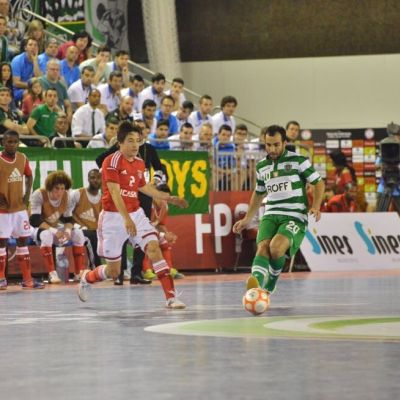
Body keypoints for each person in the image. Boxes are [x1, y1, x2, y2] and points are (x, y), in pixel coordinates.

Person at [78, 122, 188, 309]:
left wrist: (169, 198)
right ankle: (87, 278)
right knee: (114, 271)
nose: (135, 145)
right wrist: (126, 219)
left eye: (138, 141)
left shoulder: (139, 163)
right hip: (113, 217)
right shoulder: (111, 161)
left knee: (154, 248)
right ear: (120, 143)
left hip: (136, 213)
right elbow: (114, 192)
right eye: (130, 141)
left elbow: (143, 187)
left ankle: (171, 298)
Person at [233, 125, 324, 305]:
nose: (272, 149)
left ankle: (270, 284)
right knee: (263, 247)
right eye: (268, 145)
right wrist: (247, 219)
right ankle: (256, 286)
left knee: (276, 247)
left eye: (276, 145)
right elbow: (258, 194)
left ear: (284, 142)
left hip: (294, 215)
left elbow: (318, 183)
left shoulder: (299, 160)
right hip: (271, 213)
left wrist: (316, 206)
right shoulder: (261, 166)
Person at [95, 120, 166, 285]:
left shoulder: (148, 150)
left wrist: (157, 186)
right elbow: (100, 160)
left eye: (139, 136)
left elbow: (161, 168)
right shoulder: (115, 157)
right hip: (118, 204)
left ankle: (137, 272)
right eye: (131, 138)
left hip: (141, 196)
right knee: (122, 237)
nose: (136, 142)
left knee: (148, 242)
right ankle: (117, 273)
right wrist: (119, 148)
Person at [0, 130, 44, 290]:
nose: (12, 144)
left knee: (23, 240)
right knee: (1, 242)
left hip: (19, 208)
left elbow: (29, 175)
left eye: (15, 142)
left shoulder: (22, 158)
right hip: (3, 211)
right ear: (3, 143)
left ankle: (27, 279)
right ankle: (1, 279)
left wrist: (26, 196)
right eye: (8, 141)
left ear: (18, 143)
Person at [29, 171, 87, 284]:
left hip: (53, 228)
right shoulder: (39, 194)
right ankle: (52, 273)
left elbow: (68, 219)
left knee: (79, 234)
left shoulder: (67, 196)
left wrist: (68, 231)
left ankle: (78, 273)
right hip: (34, 229)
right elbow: (34, 220)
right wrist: (55, 231)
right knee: (46, 235)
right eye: (57, 188)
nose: (60, 192)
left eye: (62, 188)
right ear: (50, 187)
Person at [142, 183, 185, 280]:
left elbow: (160, 224)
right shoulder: (148, 204)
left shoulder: (164, 207)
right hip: (137, 232)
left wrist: (166, 234)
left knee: (165, 243)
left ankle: (168, 269)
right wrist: (162, 235)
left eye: (166, 199)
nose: (164, 201)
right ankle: (146, 270)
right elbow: (144, 228)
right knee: (148, 241)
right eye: (162, 197)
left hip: (150, 231)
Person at [71, 169, 102, 268]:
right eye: (93, 178)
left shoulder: (103, 197)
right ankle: (96, 267)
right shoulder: (77, 194)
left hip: (96, 231)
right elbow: (65, 215)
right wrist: (76, 226)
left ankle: (120, 269)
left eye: (98, 178)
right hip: (78, 230)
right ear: (88, 179)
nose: (96, 180)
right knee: (91, 235)